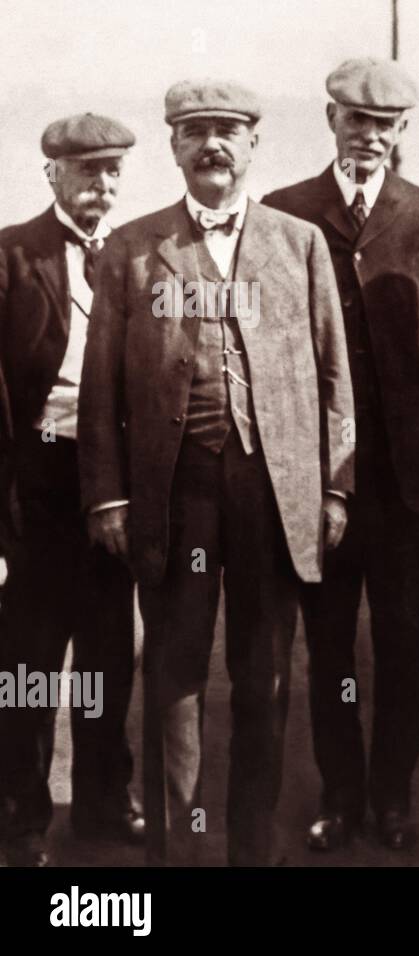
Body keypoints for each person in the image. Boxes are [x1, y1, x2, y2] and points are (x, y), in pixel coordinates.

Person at [78, 79, 355, 865]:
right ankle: (178, 856)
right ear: (173, 146)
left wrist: (334, 486)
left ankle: (250, 854)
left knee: (265, 681)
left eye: (228, 130)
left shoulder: (298, 243)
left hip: (274, 495)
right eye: (195, 130)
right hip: (176, 495)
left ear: (253, 143)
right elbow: (101, 390)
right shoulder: (134, 249)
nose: (213, 145)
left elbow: (336, 376)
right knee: (174, 678)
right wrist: (107, 496)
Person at [262, 56, 419, 852]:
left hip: (406, 487)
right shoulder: (283, 214)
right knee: (328, 652)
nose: (370, 138)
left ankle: (393, 801)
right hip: (319, 482)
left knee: (401, 649)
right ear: (331, 122)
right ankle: (339, 798)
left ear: (401, 133)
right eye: (356, 121)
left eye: (385, 126)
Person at [0, 113, 144, 867]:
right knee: (25, 662)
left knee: (107, 654)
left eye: (114, 171)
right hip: (38, 484)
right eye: (87, 171)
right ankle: (21, 814)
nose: (102, 185)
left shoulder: (135, 254)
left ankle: (101, 804)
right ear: (51, 173)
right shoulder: (11, 255)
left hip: (112, 485)